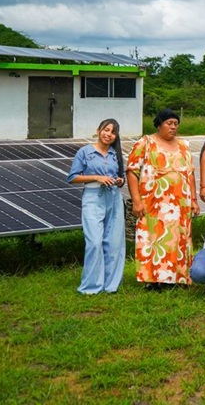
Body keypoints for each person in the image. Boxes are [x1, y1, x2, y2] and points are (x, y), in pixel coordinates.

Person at [127, 108, 199, 290]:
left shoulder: (184, 145)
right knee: (155, 238)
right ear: (159, 124)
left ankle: (178, 278)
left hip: (180, 204)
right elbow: (132, 171)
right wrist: (136, 201)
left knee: (177, 239)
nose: (173, 127)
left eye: (176, 124)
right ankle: (154, 280)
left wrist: (194, 200)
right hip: (154, 203)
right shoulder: (145, 143)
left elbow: (190, 174)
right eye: (169, 123)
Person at [67, 118, 126, 295]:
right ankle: (91, 286)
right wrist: (96, 177)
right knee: (94, 242)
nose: (109, 134)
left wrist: (119, 180)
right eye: (106, 130)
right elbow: (72, 177)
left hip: (114, 197)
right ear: (98, 130)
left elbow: (121, 177)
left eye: (113, 132)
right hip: (93, 197)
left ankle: (110, 285)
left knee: (114, 242)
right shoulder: (85, 152)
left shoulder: (115, 154)